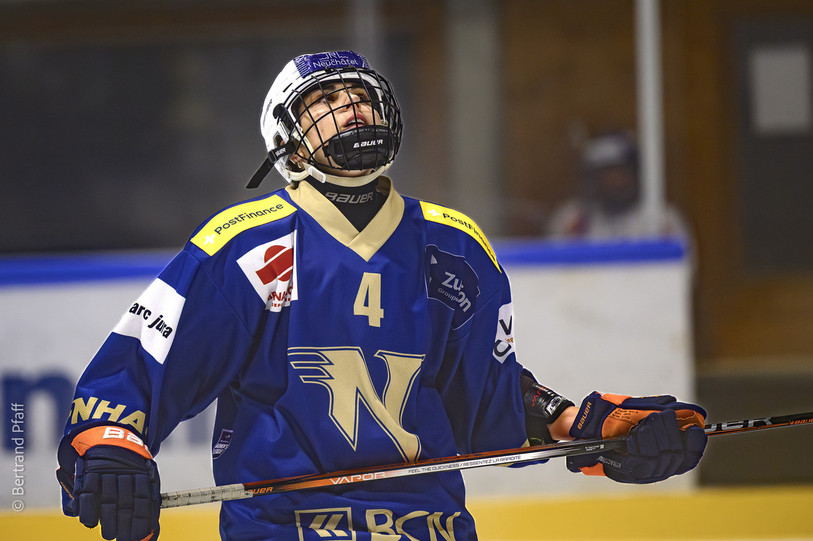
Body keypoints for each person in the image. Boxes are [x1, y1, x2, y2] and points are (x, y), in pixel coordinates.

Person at [56, 50, 708, 541]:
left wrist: (588, 429)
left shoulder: (454, 249)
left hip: (429, 528)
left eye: (362, 97)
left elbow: (484, 406)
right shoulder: (245, 247)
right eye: (327, 100)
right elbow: (137, 370)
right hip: (286, 529)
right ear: (285, 139)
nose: (353, 109)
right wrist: (109, 442)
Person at [547, 130, 689, 239]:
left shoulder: (661, 219)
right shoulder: (572, 220)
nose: (614, 181)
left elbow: (679, 271)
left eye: (621, 172)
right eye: (605, 174)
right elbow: (555, 271)